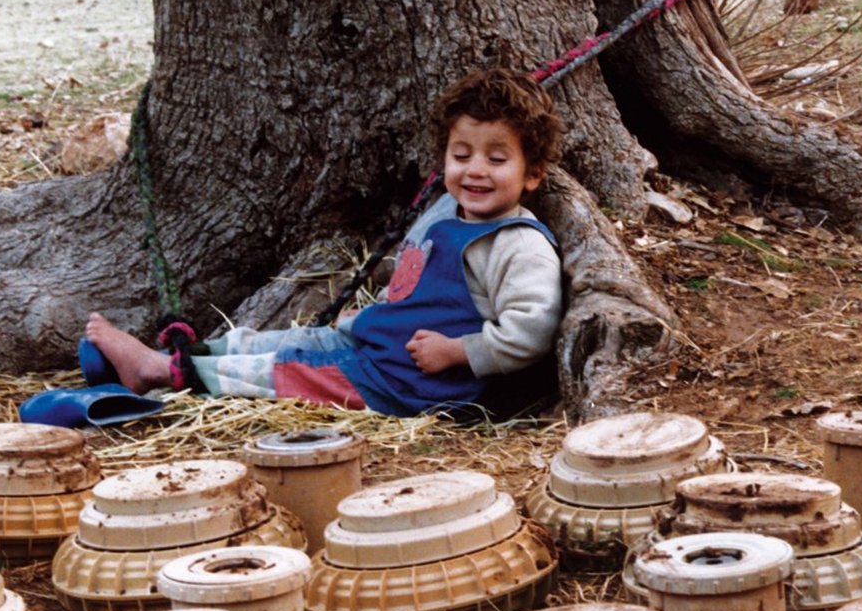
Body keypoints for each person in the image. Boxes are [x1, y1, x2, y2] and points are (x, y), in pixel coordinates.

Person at [85, 67, 565, 417]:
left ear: (533, 174)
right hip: (374, 344)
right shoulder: (444, 210)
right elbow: (417, 285)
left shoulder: (517, 245)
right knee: (284, 341)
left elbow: (531, 332)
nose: (475, 169)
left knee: (289, 373)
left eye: (497, 159)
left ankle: (160, 374)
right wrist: (379, 315)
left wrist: (459, 352)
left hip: (403, 382)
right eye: (461, 155)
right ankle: (195, 353)